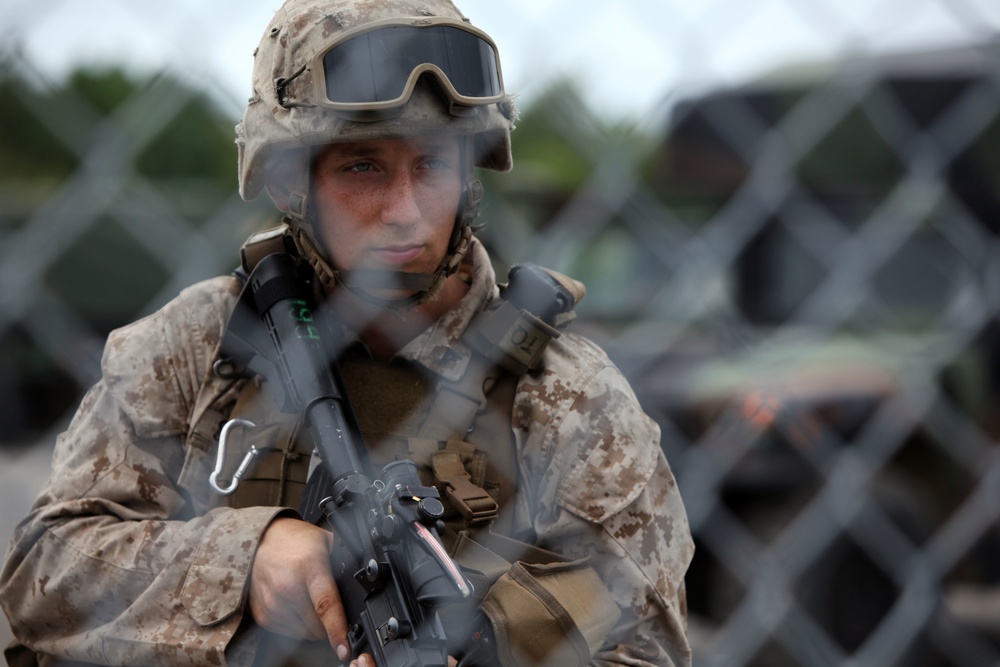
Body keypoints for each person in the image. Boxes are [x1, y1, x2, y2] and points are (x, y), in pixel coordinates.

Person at [0, 0, 694, 665]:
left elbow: (647, 642)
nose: (405, 213)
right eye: (363, 166)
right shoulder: (194, 349)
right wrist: (248, 559)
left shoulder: (568, 393)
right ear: (286, 183)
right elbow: (40, 573)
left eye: (432, 165)